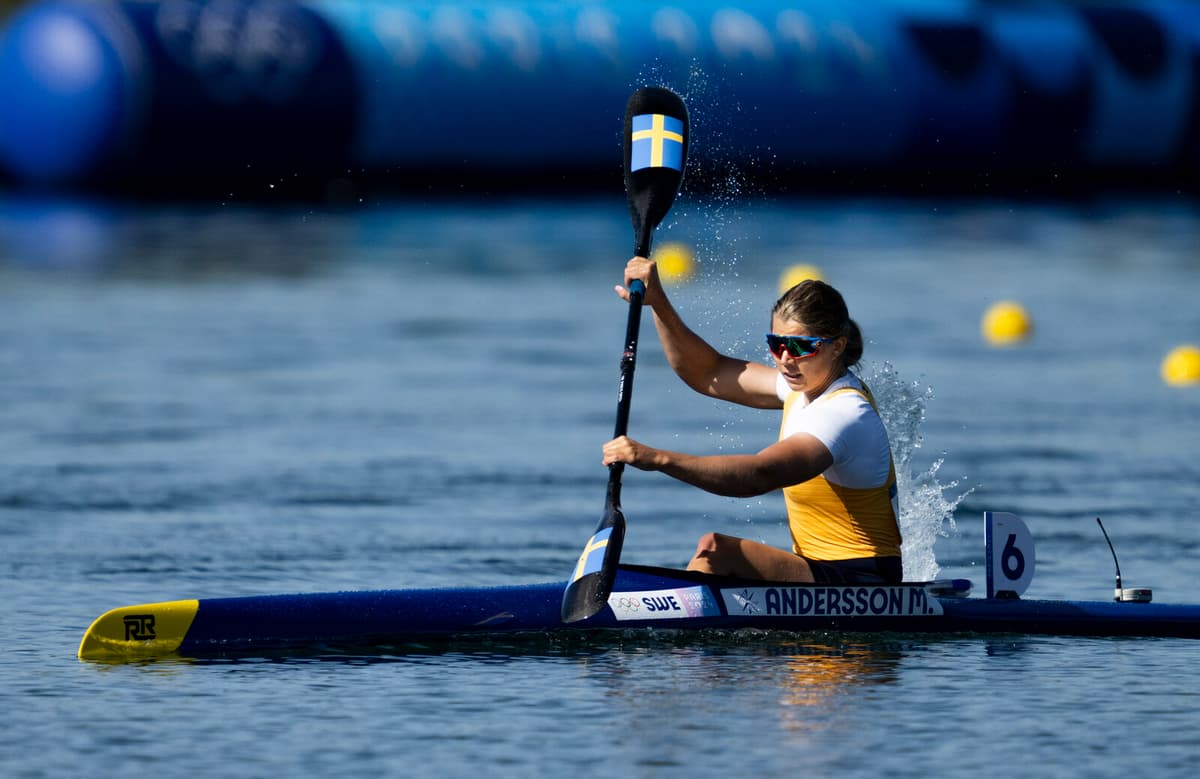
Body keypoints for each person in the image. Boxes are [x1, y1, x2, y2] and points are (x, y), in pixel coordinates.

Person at [601, 257, 902, 585]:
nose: (785, 360)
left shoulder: (843, 413)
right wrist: (658, 302)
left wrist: (658, 459)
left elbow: (760, 475)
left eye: (800, 347)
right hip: (820, 572)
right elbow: (708, 373)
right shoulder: (801, 386)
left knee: (716, 551)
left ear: (837, 347)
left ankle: (680, 626)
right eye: (777, 345)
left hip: (864, 582)